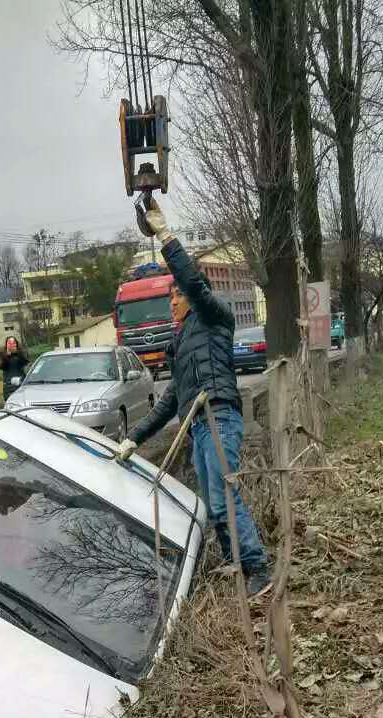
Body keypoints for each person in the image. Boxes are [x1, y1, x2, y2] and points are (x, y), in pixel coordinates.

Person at [117, 198, 272, 598]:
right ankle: (234, 561)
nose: (172, 302)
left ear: (191, 296)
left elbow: (192, 281)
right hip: (198, 427)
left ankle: (258, 567)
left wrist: (165, 236)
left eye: (176, 296)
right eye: (170, 298)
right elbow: (171, 399)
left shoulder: (214, 317)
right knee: (212, 502)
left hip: (218, 417)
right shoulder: (182, 340)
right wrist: (135, 437)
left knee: (223, 495)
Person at [0, 336, 29, 402]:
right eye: (9, 343)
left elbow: (25, 363)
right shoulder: (2, 354)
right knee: (9, 402)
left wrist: (17, 353)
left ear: (16, 344)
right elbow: (2, 366)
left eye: (13, 343)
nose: (12, 345)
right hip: (8, 384)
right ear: (6, 344)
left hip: (21, 383)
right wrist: (8, 355)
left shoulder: (21, 353)